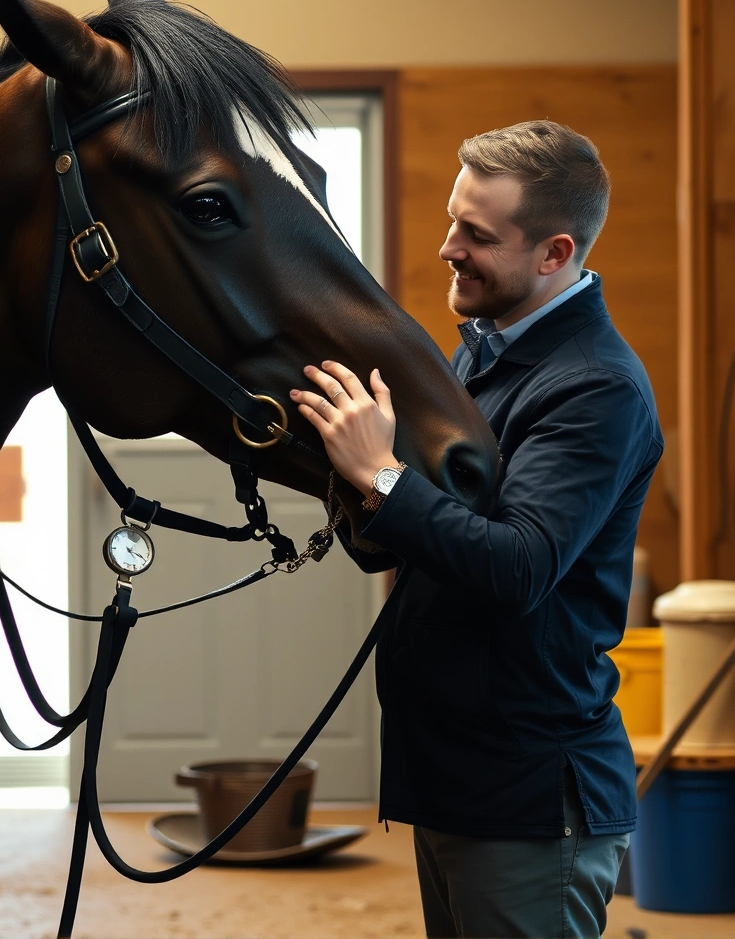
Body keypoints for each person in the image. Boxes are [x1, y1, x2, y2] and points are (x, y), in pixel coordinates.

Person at [289, 121, 661, 939]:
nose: (447, 247)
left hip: (525, 795)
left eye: (478, 235)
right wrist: (353, 482)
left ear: (554, 254)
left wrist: (380, 474)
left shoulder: (594, 388)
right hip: (458, 777)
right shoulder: (481, 360)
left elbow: (519, 566)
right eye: (454, 220)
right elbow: (423, 535)